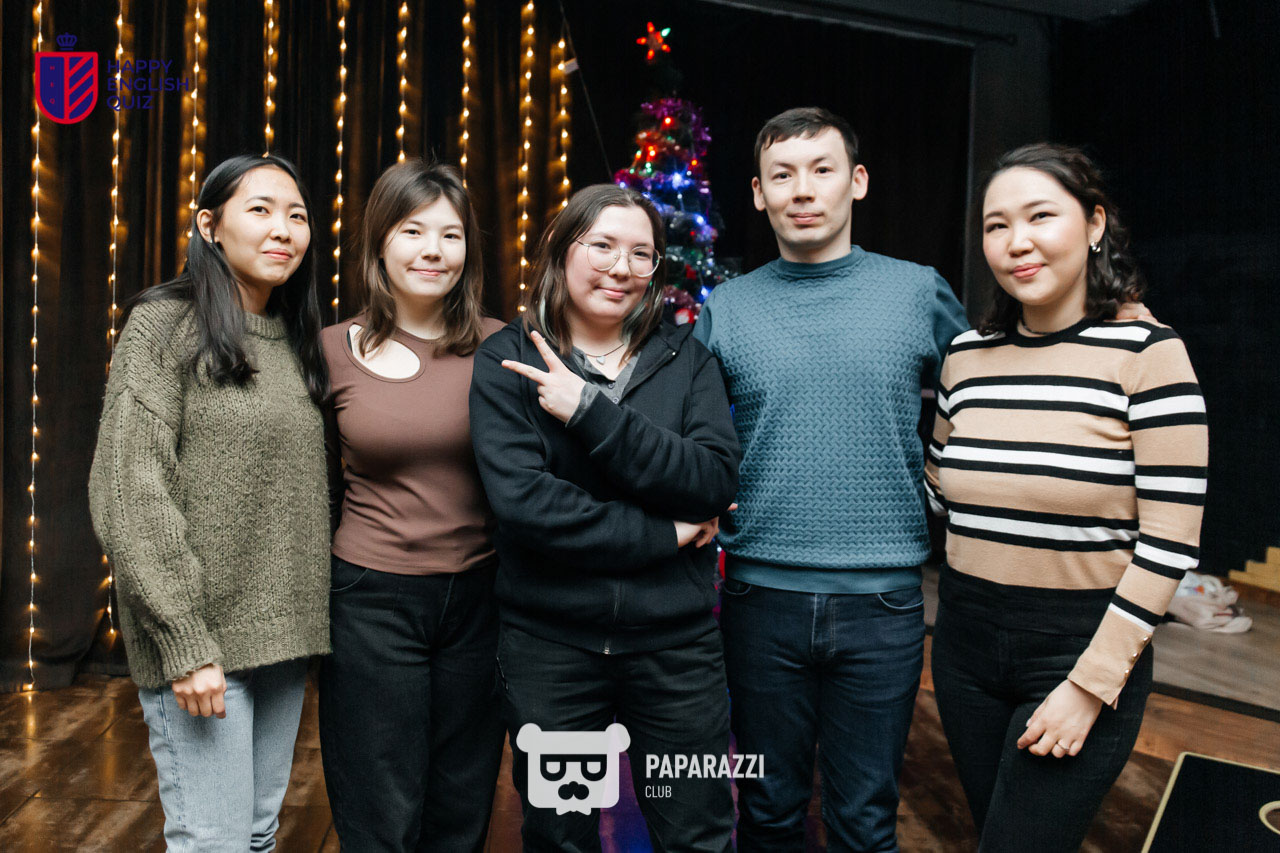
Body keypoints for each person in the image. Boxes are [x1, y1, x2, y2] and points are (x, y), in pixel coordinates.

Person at [693, 106, 967, 852]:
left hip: (883, 603)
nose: (803, 190)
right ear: (759, 193)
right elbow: (687, 432)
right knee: (767, 812)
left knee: (865, 820)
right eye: (782, 175)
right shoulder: (727, 307)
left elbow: (987, 400)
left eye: (822, 169)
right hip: (759, 600)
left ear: (858, 181)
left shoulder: (918, 292)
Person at [924, 143, 1207, 852]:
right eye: (996, 225)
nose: (1016, 241)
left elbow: (1170, 542)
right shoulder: (966, 356)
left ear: (1094, 224)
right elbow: (936, 493)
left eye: (1040, 216)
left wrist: (1090, 686)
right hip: (962, 647)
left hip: (1079, 648)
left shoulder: (1148, 353)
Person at [469, 184, 741, 852]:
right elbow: (530, 508)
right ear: (562, 250)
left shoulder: (688, 358)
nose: (622, 268)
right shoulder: (509, 360)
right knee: (559, 836)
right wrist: (665, 531)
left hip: (677, 654)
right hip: (552, 650)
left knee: (699, 835)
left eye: (641, 254)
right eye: (603, 246)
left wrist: (590, 413)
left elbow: (712, 480)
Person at [88, 154, 330, 851]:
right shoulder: (164, 325)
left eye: (297, 215)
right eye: (260, 210)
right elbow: (130, 489)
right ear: (209, 225)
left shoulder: (297, 340)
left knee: (255, 835)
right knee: (213, 842)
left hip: (283, 640)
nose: (283, 229)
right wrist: (185, 641)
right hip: (202, 644)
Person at [318, 159, 505, 852]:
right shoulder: (331, 350)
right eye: (413, 230)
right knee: (379, 803)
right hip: (372, 598)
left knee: (462, 799)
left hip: (480, 598)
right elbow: (309, 483)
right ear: (380, 243)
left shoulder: (503, 345)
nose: (434, 250)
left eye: (451, 235)